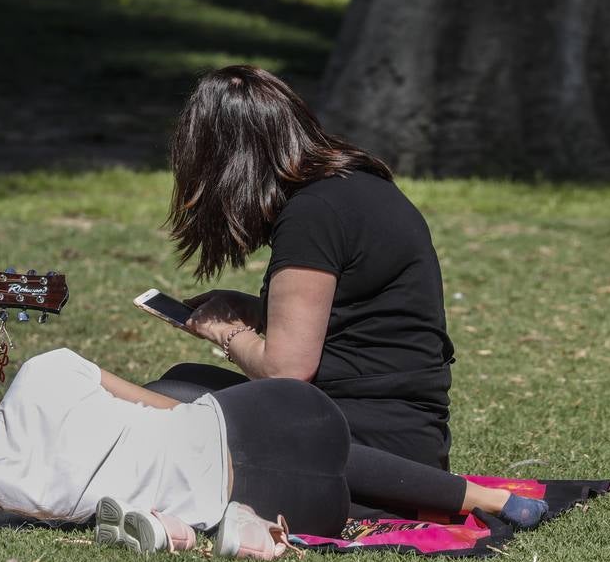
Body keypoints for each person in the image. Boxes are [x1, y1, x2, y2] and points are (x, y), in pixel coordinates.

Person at [0, 349, 547, 551]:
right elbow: (165, 401)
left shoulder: (9, 497)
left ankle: (239, 519)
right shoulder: (43, 370)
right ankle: (491, 500)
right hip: (290, 420)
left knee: (322, 484)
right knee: (213, 408)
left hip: (297, 509)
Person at [155, 65, 455, 471]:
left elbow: (286, 371)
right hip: (406, 428)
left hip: (369, 440)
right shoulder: (352, 185)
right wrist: (255, 311)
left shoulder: (312, 213)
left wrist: (222, 330)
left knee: (163, 405)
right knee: (183, 379)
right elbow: (361, 319)